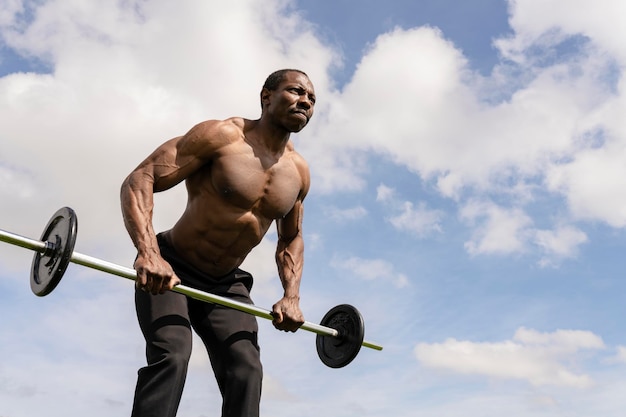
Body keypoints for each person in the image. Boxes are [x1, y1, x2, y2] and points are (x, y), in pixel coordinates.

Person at [120, 69, 316, 417]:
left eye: (312, 99)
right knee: (173, 354)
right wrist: (149, 253)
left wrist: (291, 297)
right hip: (172, 266)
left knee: (246, 370)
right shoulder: (222, 136)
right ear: (267, 96)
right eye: (296, 91)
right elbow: (142, 177)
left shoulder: (298, 172)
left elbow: (291, 238)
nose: (305, 101)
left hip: (227, 284)